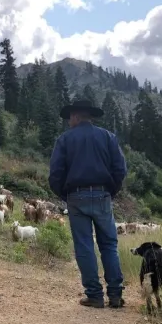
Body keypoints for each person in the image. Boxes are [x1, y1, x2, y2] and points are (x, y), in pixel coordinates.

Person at [48, 100, 127, 308]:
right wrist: (111, 191)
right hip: (102, 195)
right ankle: (116, 295)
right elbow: (120, 169)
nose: (68, 123)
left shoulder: (64, 140)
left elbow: (55, 174)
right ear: (89, 116)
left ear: (75, 116)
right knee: (109, 244)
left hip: (76, 197)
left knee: (84, 246)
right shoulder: (108, 137)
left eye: (69, 119)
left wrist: (66, 195)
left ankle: (94, 295)